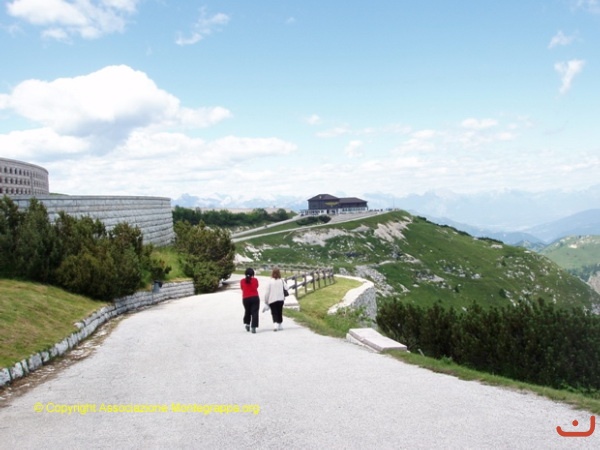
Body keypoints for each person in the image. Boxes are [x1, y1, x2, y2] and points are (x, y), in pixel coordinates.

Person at [240, 267, 260, 333]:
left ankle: (247, 324)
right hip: (255, 297)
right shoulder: (255, 280)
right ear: (253, 274)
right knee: (255, 312)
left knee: (247, 311)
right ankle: (254, 326)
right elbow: (257, 286)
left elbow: (242, 288)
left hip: (246, 298)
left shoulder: (242, 281)